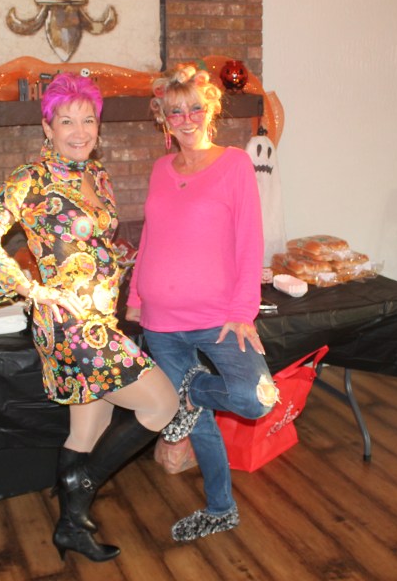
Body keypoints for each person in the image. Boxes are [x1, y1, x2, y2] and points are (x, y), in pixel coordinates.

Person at [0, 72, 178, 562]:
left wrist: (121, 261)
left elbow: (91, 242)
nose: (79, 131)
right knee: (161, 404)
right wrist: (32, 288)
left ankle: (70, 527)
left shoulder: (96, 174)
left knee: (89, 428)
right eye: (67, 121)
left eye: (88, 120)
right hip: (71, 325)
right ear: (47, 127)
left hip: (102, 316)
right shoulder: (31, 179)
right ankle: (83, 482)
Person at [126, 64, 279, 542]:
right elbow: (150, 236)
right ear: (163, 119)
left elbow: (250, 241)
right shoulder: (160, 169)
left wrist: (242, 312)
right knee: (202, 426)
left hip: (219, 318)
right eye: (175, 111)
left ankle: (191, 394)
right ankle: (220, 509)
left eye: (195, 108)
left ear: (210, 110)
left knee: (255, 398)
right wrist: (135, 297)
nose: (186, 118)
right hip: (160, 320)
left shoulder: (234, 164)